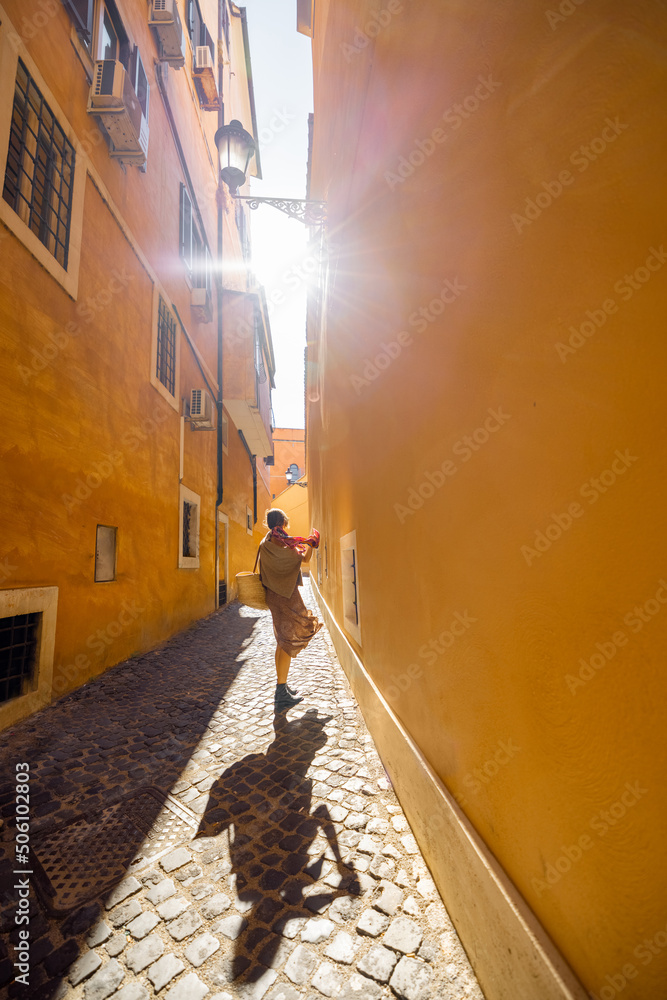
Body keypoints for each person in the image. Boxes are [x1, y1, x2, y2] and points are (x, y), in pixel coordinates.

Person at [259, 508, 323, 712]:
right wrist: (312, 544)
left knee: (281, 641)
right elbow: (302, 560)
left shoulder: (268, 539)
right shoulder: (281, 540)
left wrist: (303, 545)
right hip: (285, 595)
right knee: (287, 642)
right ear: (283, 522)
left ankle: (282, 687)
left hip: (274, 595)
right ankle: (281, 693)